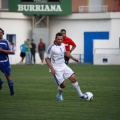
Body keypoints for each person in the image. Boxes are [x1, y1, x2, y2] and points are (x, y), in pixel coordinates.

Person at [45, 32, 88, 101]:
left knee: (74, 79)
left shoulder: (63, 45)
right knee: (63, 85)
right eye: (58, 39)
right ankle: (59, 95)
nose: (60, 41)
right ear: (55, 39)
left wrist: (73, 58)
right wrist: (52, 68)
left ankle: (81, 95)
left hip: (63, 66)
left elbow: (65, 53)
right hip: (56, 69)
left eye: (61, 39)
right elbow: (47, 59)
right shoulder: (51, 47)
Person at [0, 28, 14, 95]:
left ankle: (12, 91)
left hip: (4, 62)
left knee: (8, 76)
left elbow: (12, 52)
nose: (0, 34)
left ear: (3, 34)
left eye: (1, 32)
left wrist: (2, 50)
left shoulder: (5, 42)